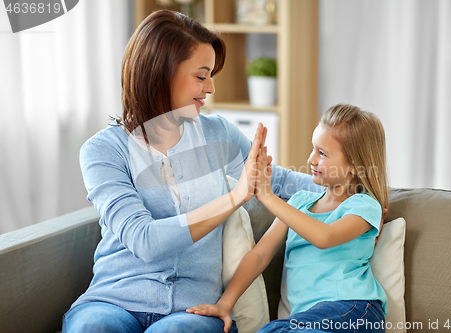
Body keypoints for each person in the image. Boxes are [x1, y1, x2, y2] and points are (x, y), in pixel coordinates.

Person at [61, 9, 321, 333]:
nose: (211, 88)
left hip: (192, 310)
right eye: (201, 76)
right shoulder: (103, 150)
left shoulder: (218, 134)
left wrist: (356, 192)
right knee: (94, 328)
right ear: (160, 73)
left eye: (211, 75)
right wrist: (234, 197)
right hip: (113, 301)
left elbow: (280, 181)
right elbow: (144, 240)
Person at [187, 104, 389, 333]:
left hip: (353, 310)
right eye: (313, 149)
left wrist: (269, 198)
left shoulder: (363, 205)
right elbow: (259, 256)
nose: (311, 159)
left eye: (322, 153)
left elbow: (325, 236)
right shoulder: (299, 202)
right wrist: (224, 304)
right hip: (306, 320)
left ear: (355, 165)